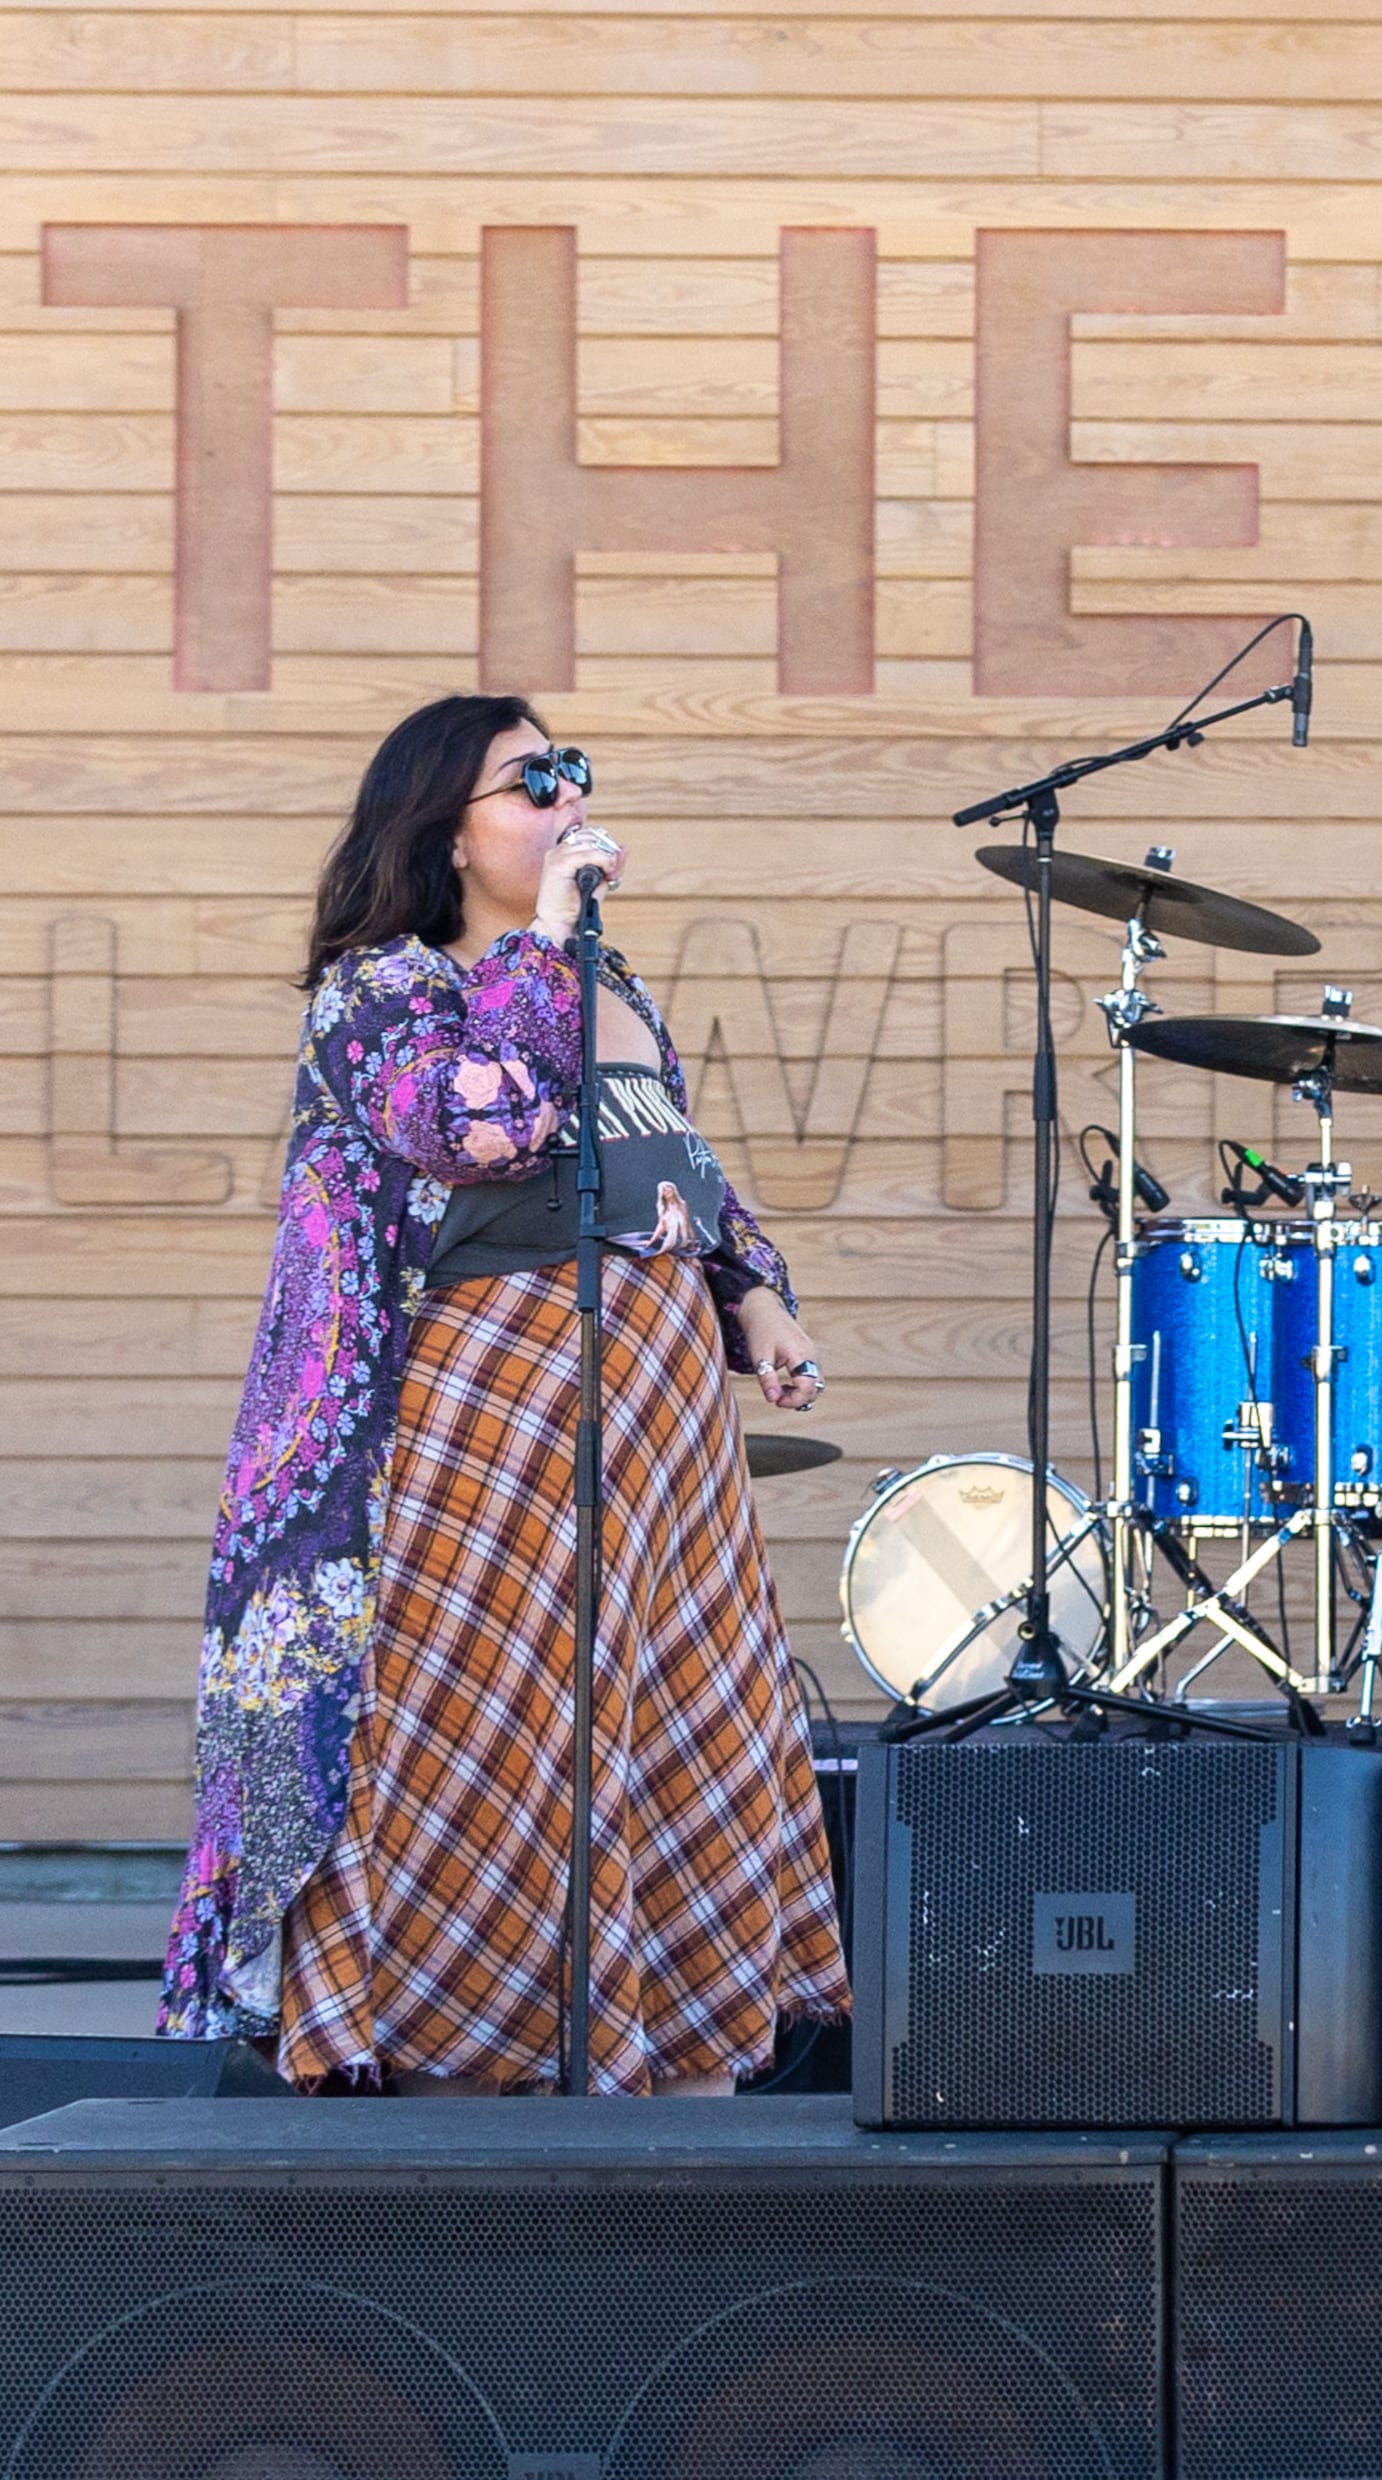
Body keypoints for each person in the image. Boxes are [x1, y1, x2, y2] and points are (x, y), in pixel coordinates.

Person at [160, 696, 848, 2093]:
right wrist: (545, 933)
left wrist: (757, 1297)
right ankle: (443, 2040)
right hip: (497, 1402)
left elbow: (671, 1159)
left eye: (572, 773)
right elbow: (476, 1121)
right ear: (448, 830)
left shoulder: (612, 985)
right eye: (531, 781)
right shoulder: (383, 988)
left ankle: (663, 2032)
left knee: (653, 1706)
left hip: (654, 1408)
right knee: (486, 1709)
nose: (566, 796)